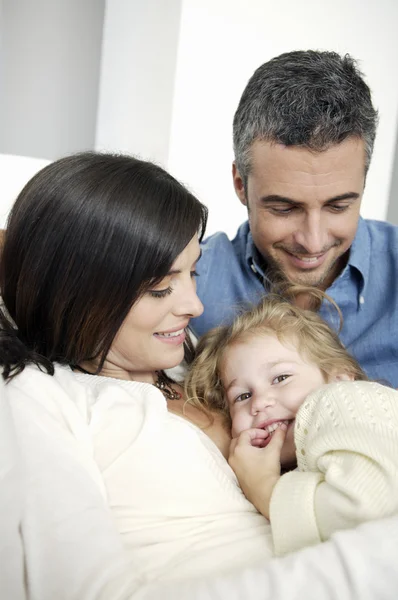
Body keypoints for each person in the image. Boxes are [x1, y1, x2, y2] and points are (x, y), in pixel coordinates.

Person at [0, 152, 398, 600]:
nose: (195, 306)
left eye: (193, 272)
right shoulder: (39, 397)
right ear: (79, 292)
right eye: (160, 288)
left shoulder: (192, 359)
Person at [190, 50, 398, 387]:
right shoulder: (187, 284)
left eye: (338, 206)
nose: (313, 241)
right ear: (241, 185)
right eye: (284, 209)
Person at [186, 286, 398, 556]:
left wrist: (265, 488)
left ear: (339, 376)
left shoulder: (346, 398)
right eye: (242, 396)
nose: (259, 402)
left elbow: (370, 509)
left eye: (281, 378)